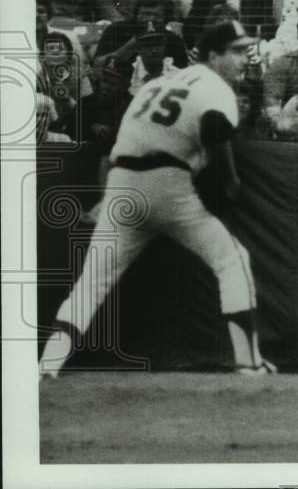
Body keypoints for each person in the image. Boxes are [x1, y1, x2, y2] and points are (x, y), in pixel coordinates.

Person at [39, 20, 277, 378]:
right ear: (213, 55)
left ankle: (47, 365)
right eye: (237, 51)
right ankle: (249, 363)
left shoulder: (160, 83)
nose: (245, 58)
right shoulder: (215, 86)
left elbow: (117, 139)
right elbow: (215, 128)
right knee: (233, 260)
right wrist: (230, 179)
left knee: (91, 283)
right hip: (168, 181)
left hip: (122, 182)